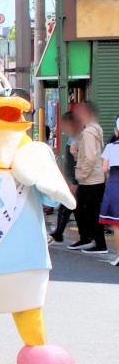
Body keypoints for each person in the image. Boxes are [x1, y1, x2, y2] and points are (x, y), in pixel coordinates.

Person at [71, 102, 107, 253]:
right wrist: (75, 154)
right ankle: (89, 239)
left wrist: (81, 175)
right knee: (84, 208)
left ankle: (98, 244)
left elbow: (91, 158)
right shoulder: (96, 129)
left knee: (86, 209)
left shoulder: (88, 133)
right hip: (95, 178)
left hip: (90, 179)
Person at [49, 112, 79, 243]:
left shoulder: (78, 138)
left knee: (66, 206)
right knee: (71, 207)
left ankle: (59, 233)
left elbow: (77, 162)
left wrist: (75, 181)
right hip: (71, 179)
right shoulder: (72, 137)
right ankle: (59, 233)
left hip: (75, 179)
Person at [99, 117, 119, 266]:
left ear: (116, 131)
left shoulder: (111, 147)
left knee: (117, 225)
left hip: (115, 185)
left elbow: (104, 168)